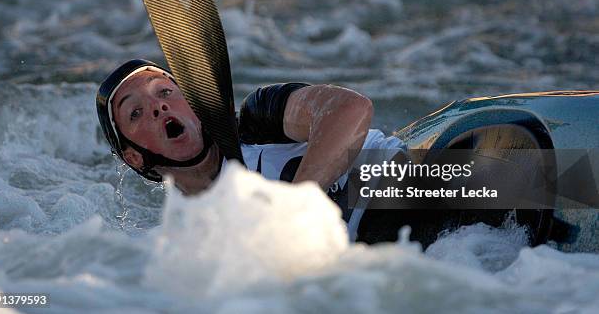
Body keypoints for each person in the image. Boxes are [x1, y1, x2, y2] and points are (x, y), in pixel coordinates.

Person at [96, 59, 405, 239]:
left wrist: (293, 205)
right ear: (134, 157)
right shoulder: (193, 239)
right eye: (135, 112)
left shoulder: (259, 119)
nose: (158, 106)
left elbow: (350, 109)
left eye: (165, 91)